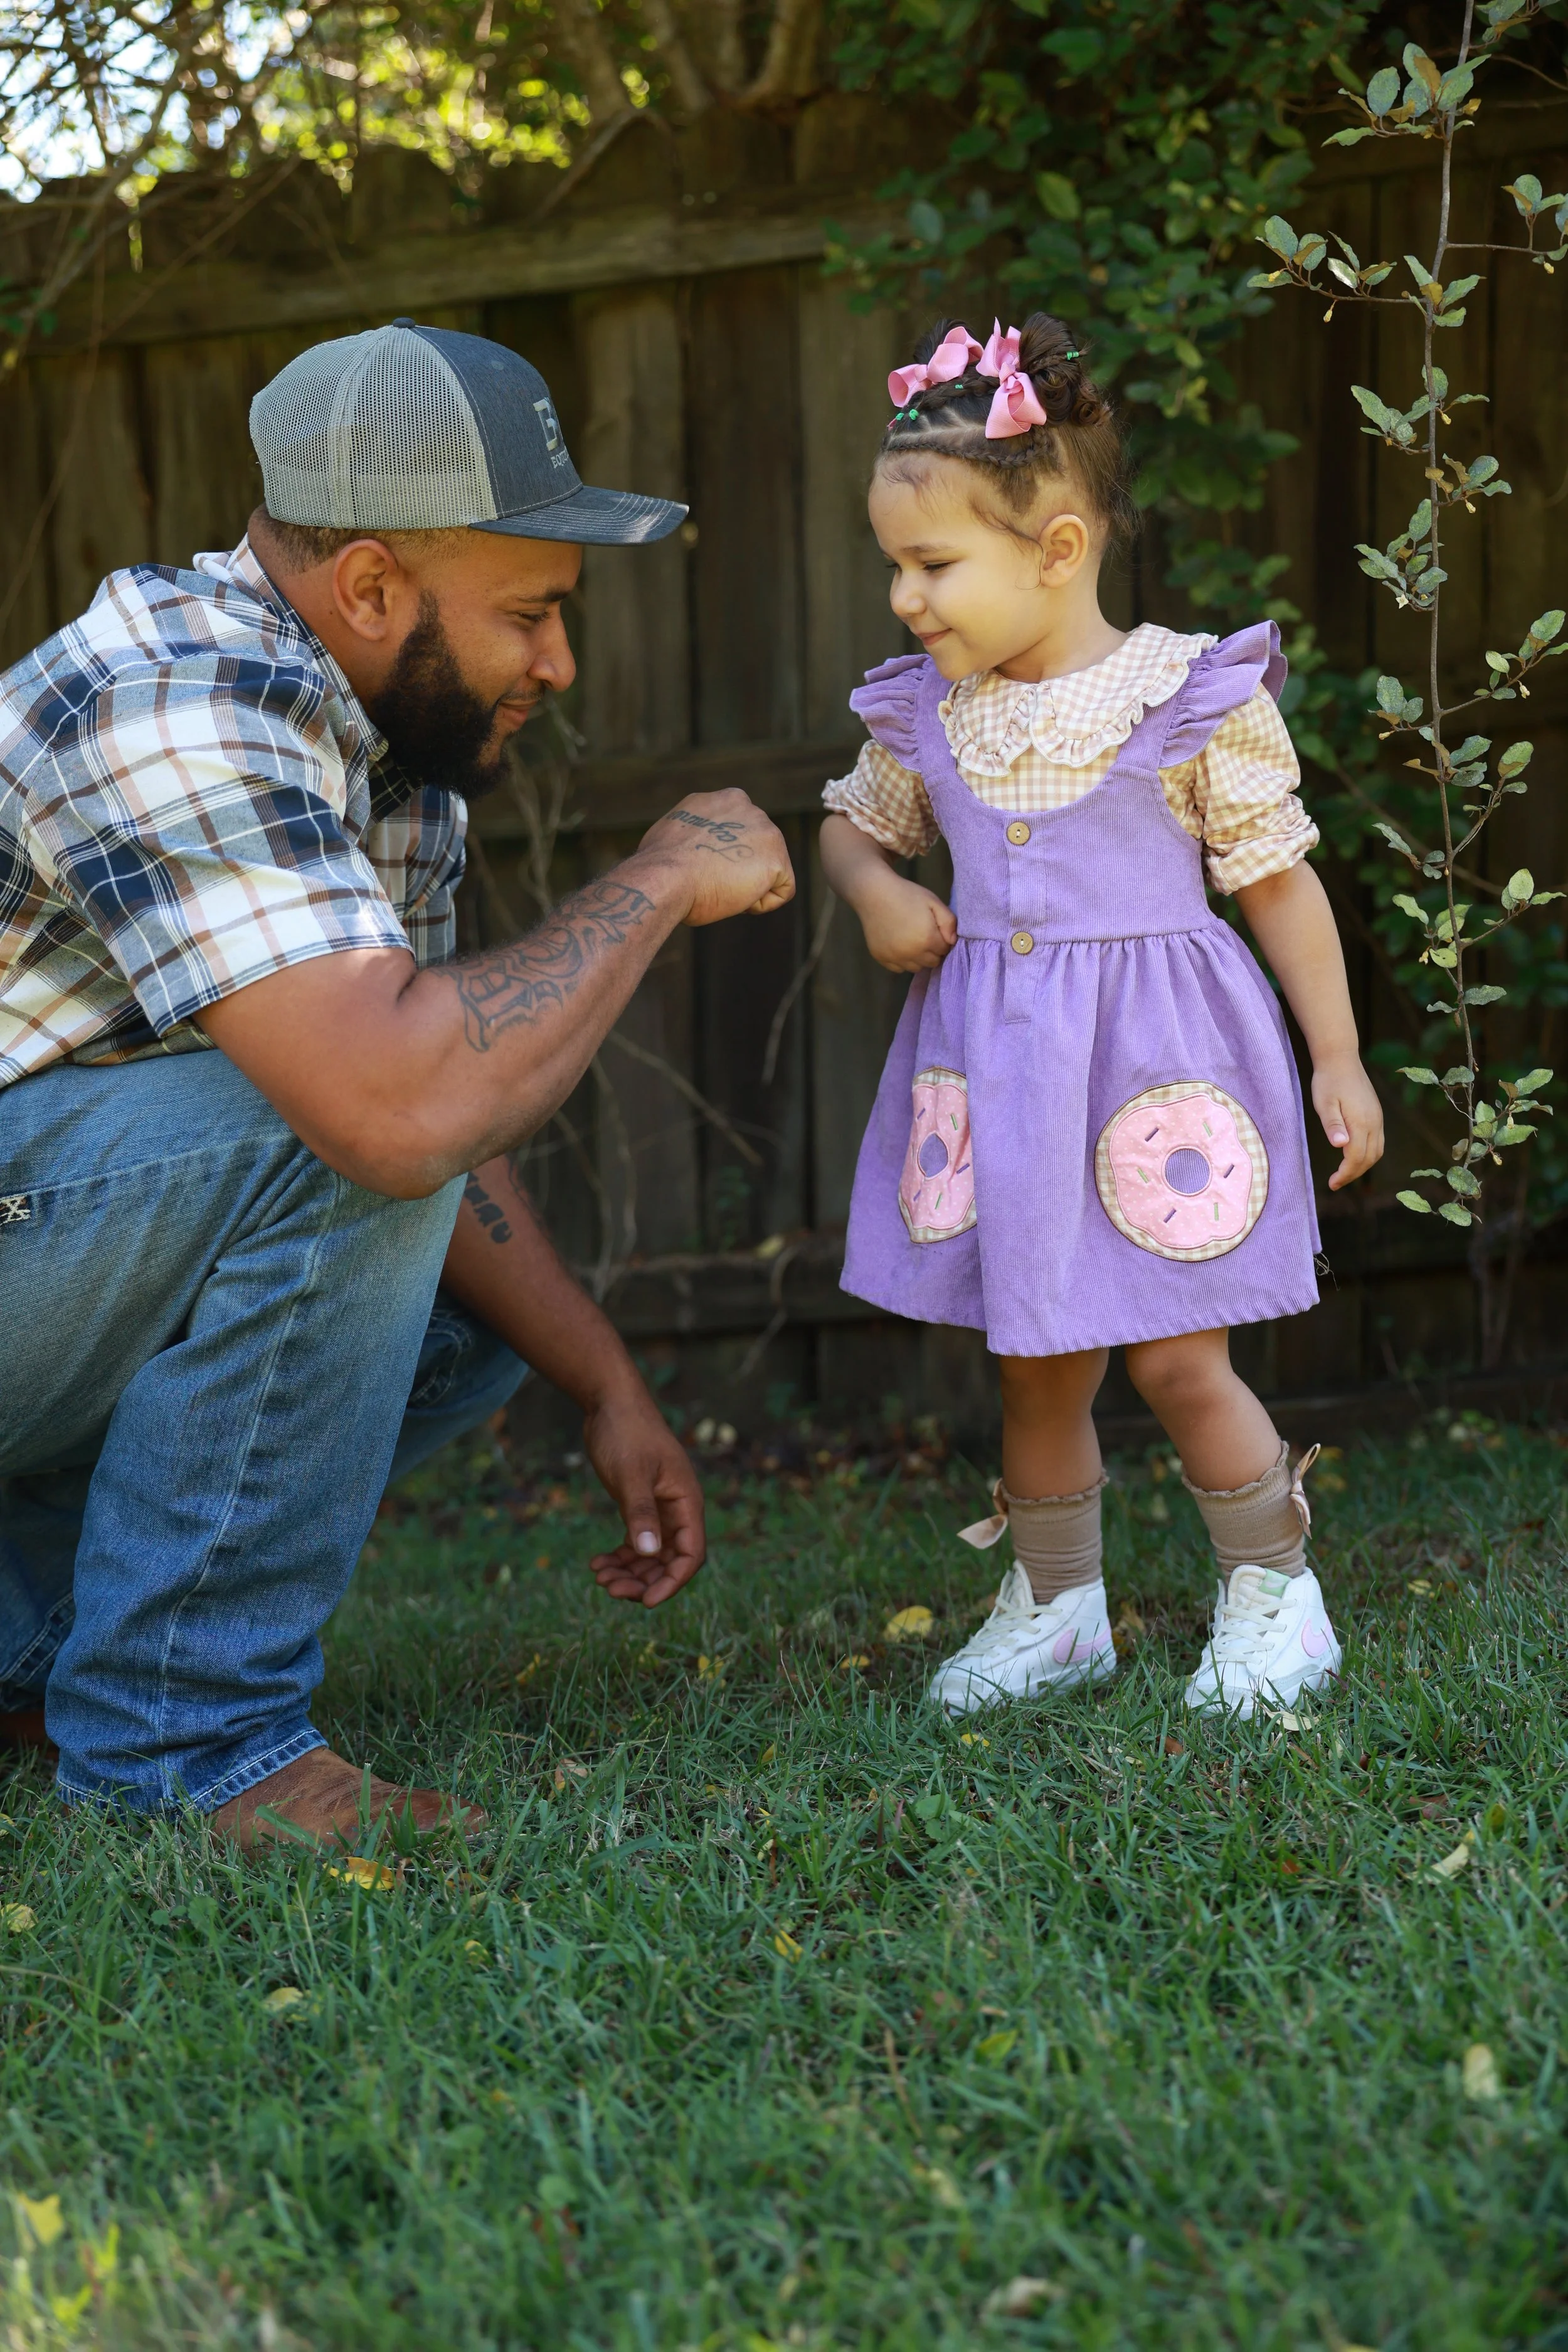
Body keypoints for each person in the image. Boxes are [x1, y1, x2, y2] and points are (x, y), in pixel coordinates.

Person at [0, 320, 794, 1843]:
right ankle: (186, 1743)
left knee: (457, 1313)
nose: (559, 663)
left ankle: (33, 1655)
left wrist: (602, 1384)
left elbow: (433, 1089)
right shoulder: (169, 696)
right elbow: (388, 1109)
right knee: (360, 1145)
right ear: (369, 585)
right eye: (530, 616)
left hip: (56, 1237)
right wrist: (660, 878)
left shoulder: (388, 745)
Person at [819, 314, 1383, 1720]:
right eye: (895, 566)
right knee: (1036, 1353)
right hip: (1008, 1078)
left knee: (1180, 1351)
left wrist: (1336, 1056)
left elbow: (1277, 882)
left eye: (932, 566)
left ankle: (1271, 1593)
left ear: (1055, 550)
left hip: (1155, 1075)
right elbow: (849, 831)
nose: (905, 599)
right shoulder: (928, 718)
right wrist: (874, 893)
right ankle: (1057, 1608)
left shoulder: (1187, 695)